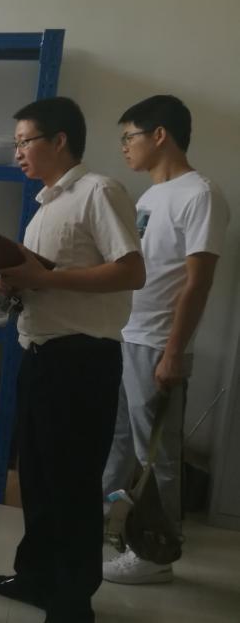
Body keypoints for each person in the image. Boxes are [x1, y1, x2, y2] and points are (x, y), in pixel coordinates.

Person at [0, 97, 145, 623]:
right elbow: (46, 280)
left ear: (59, 140)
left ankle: (72, 603)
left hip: (82, 360)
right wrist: (17, 282)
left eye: (24, 142)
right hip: (40, 354)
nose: (18, 153)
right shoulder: (46, 205)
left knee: (71, 484)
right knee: (38, 479)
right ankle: (36, 577)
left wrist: (46, 277)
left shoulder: (99, 191)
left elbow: (131, 270)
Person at [102, 95, 230, 584]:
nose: (124, 147)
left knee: (157, 454)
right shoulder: (151, 197)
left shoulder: (201, 194)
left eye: (129, 137)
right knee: (119, 443)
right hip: (126, 333)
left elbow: (198, 282)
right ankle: (112, 527)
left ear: (160, 135)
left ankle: (156, 554)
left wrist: (174, 351)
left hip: (158, 343)